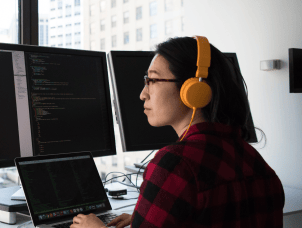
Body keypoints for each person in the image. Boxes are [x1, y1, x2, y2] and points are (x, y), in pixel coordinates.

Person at [70, 36, 285, 228]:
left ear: (194, 90)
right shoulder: (257, 162)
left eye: (152, 80)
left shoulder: (175, 164)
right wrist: (144, 217)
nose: (143, 94)